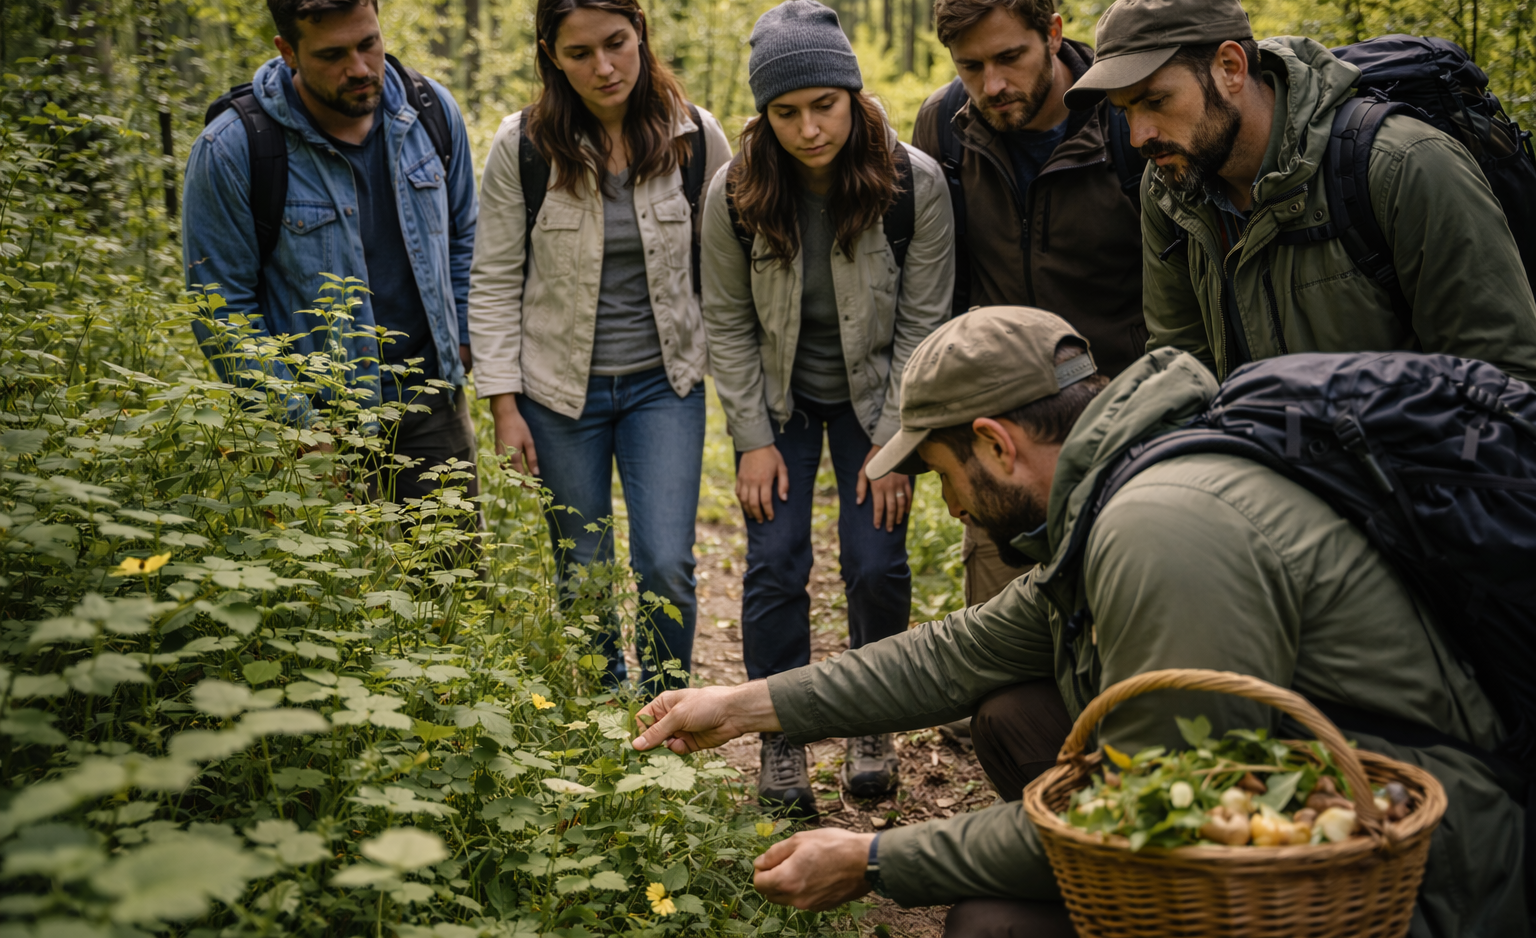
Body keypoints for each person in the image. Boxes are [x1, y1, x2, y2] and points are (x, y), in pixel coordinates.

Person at [629, 306, 1527, 938]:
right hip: (1312, 807)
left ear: (995, 443)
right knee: (1012, 711)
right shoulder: (1125, 482)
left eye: (943, 474)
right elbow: (957, 654)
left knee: (991, 927)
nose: (950, 507)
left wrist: (870, 860)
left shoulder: (1158, 528)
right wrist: (741, 707)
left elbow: (1149, 814)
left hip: (1414, 869)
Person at [698, 0, 954, 813]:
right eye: (786, 112)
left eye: (824, 105)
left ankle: (872, 721)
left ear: (853, 95)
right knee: (776, 561)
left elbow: (923, 322)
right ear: (764, 114)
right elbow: (725, 320)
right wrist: (752, 439)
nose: (809, 129)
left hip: (877, 402)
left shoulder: (913, 184)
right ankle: (780, 737)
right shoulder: (734, 192)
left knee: (876, 561)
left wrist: (895, 442)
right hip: (780, 404)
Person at [1060, 0, 1536, 385]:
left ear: (1230, 67)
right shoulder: (1169, 187)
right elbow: (1183, 371)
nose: (1139, 136)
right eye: (1125, 111)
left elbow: (1504, 382)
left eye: (1156, 101)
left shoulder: (1403, 165)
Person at [468, 0, 731, 692]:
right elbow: (493, 279)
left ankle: (667, 704)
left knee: (666, 563)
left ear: (639, 30)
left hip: (664, 388)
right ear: (550, 56)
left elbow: (731, 270)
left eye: (616, 42)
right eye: (579, 52)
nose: (604, 67)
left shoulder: (696, 137)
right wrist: (503, 404)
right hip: (558, 394)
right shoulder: (523, 146)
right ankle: (604, 701)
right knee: (581, 566)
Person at [184, 0, 480, 507]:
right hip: (318, 426)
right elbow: (220, 306)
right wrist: (297, 425)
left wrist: (461, 338)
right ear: (288, 52)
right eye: (332, 55)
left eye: (369, 43)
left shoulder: (431, 112)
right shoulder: (233, 149)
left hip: (433, 408)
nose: (360, 68)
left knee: (452, 566)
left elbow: (466, 234)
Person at [912, 0, 1147, 619]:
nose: (991, 85)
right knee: (1000, 654)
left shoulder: (1124, 121)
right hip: (1002, 450)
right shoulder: (945, 129)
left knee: (1124, 627)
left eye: (1009, 57)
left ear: (1052, 33)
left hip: (1125, 425)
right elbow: (938, 284)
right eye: (970, 66)